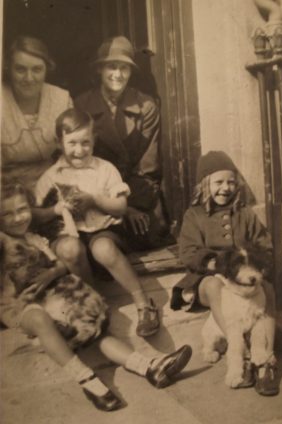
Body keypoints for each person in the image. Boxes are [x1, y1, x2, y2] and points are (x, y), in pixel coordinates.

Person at [0, 181, 193, 412]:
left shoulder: (33, 238)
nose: (18, 218)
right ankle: (86, 380)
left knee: (95, 331)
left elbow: (60, 265)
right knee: (41, 319)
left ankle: (150, 367)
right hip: (21, 304)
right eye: (7, 214)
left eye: (22, 210)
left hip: (54, 297)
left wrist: (52, 272)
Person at [33, 107, 161, 338]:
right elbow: (37, 215)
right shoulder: (51, 176)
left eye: (85, 143)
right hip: (69, 235)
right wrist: (56, 209)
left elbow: (120, 207)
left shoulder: (105, 169)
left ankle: (144, 304)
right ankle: (94, 306)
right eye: (72, 143)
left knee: (103, 248)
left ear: (94, 140)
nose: (79, 150)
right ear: (59, 142)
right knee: (70, 249)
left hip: (104, 229)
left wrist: (93, 200)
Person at [170, 151, 279, 396]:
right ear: (205, 184)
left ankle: (265, 362)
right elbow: (187, 251)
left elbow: (264, 245)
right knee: (213, 286)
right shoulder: (194, 215)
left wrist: (259, 266)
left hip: (243, 275)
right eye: (218, 182)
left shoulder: (245, 213)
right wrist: (216, 265)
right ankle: (241, 353)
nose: (225, 188)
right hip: (208, 276)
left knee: (268, 290)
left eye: (231, 182)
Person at [75, 36, 172, 251]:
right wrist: (117, 207)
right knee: (95, 246)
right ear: (100, 69)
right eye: (111, 67)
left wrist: (130, 205)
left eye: (124, 69)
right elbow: (78, 164)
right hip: (96, 193)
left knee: (148, 236)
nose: (117, 75)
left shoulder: (146, 106)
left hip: (136, 194)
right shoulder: (82, 105)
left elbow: (148, 167)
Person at [1, 35, 73, 190]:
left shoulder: (61, 99)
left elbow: (72, 154)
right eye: (20, 69)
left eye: (37, 70)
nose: (29, 78)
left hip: (52, 186)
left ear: (47, 68)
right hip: (6, 193)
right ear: (8, 68)